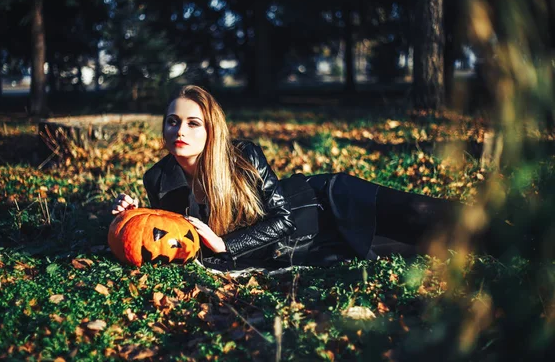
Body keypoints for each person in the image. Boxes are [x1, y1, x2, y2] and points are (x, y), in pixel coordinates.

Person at [111, 85, 469, 270]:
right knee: (428, 246)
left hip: (327, 201)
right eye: (172, 121)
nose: (180, 130)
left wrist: (226, 245)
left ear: (211, 131)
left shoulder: (242, 156)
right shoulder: (159, 179)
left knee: (423, 214)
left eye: (193, 123)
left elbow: (281, 219)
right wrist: (133, 214)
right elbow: (169, 233)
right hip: (313, 245)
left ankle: (515, 220)